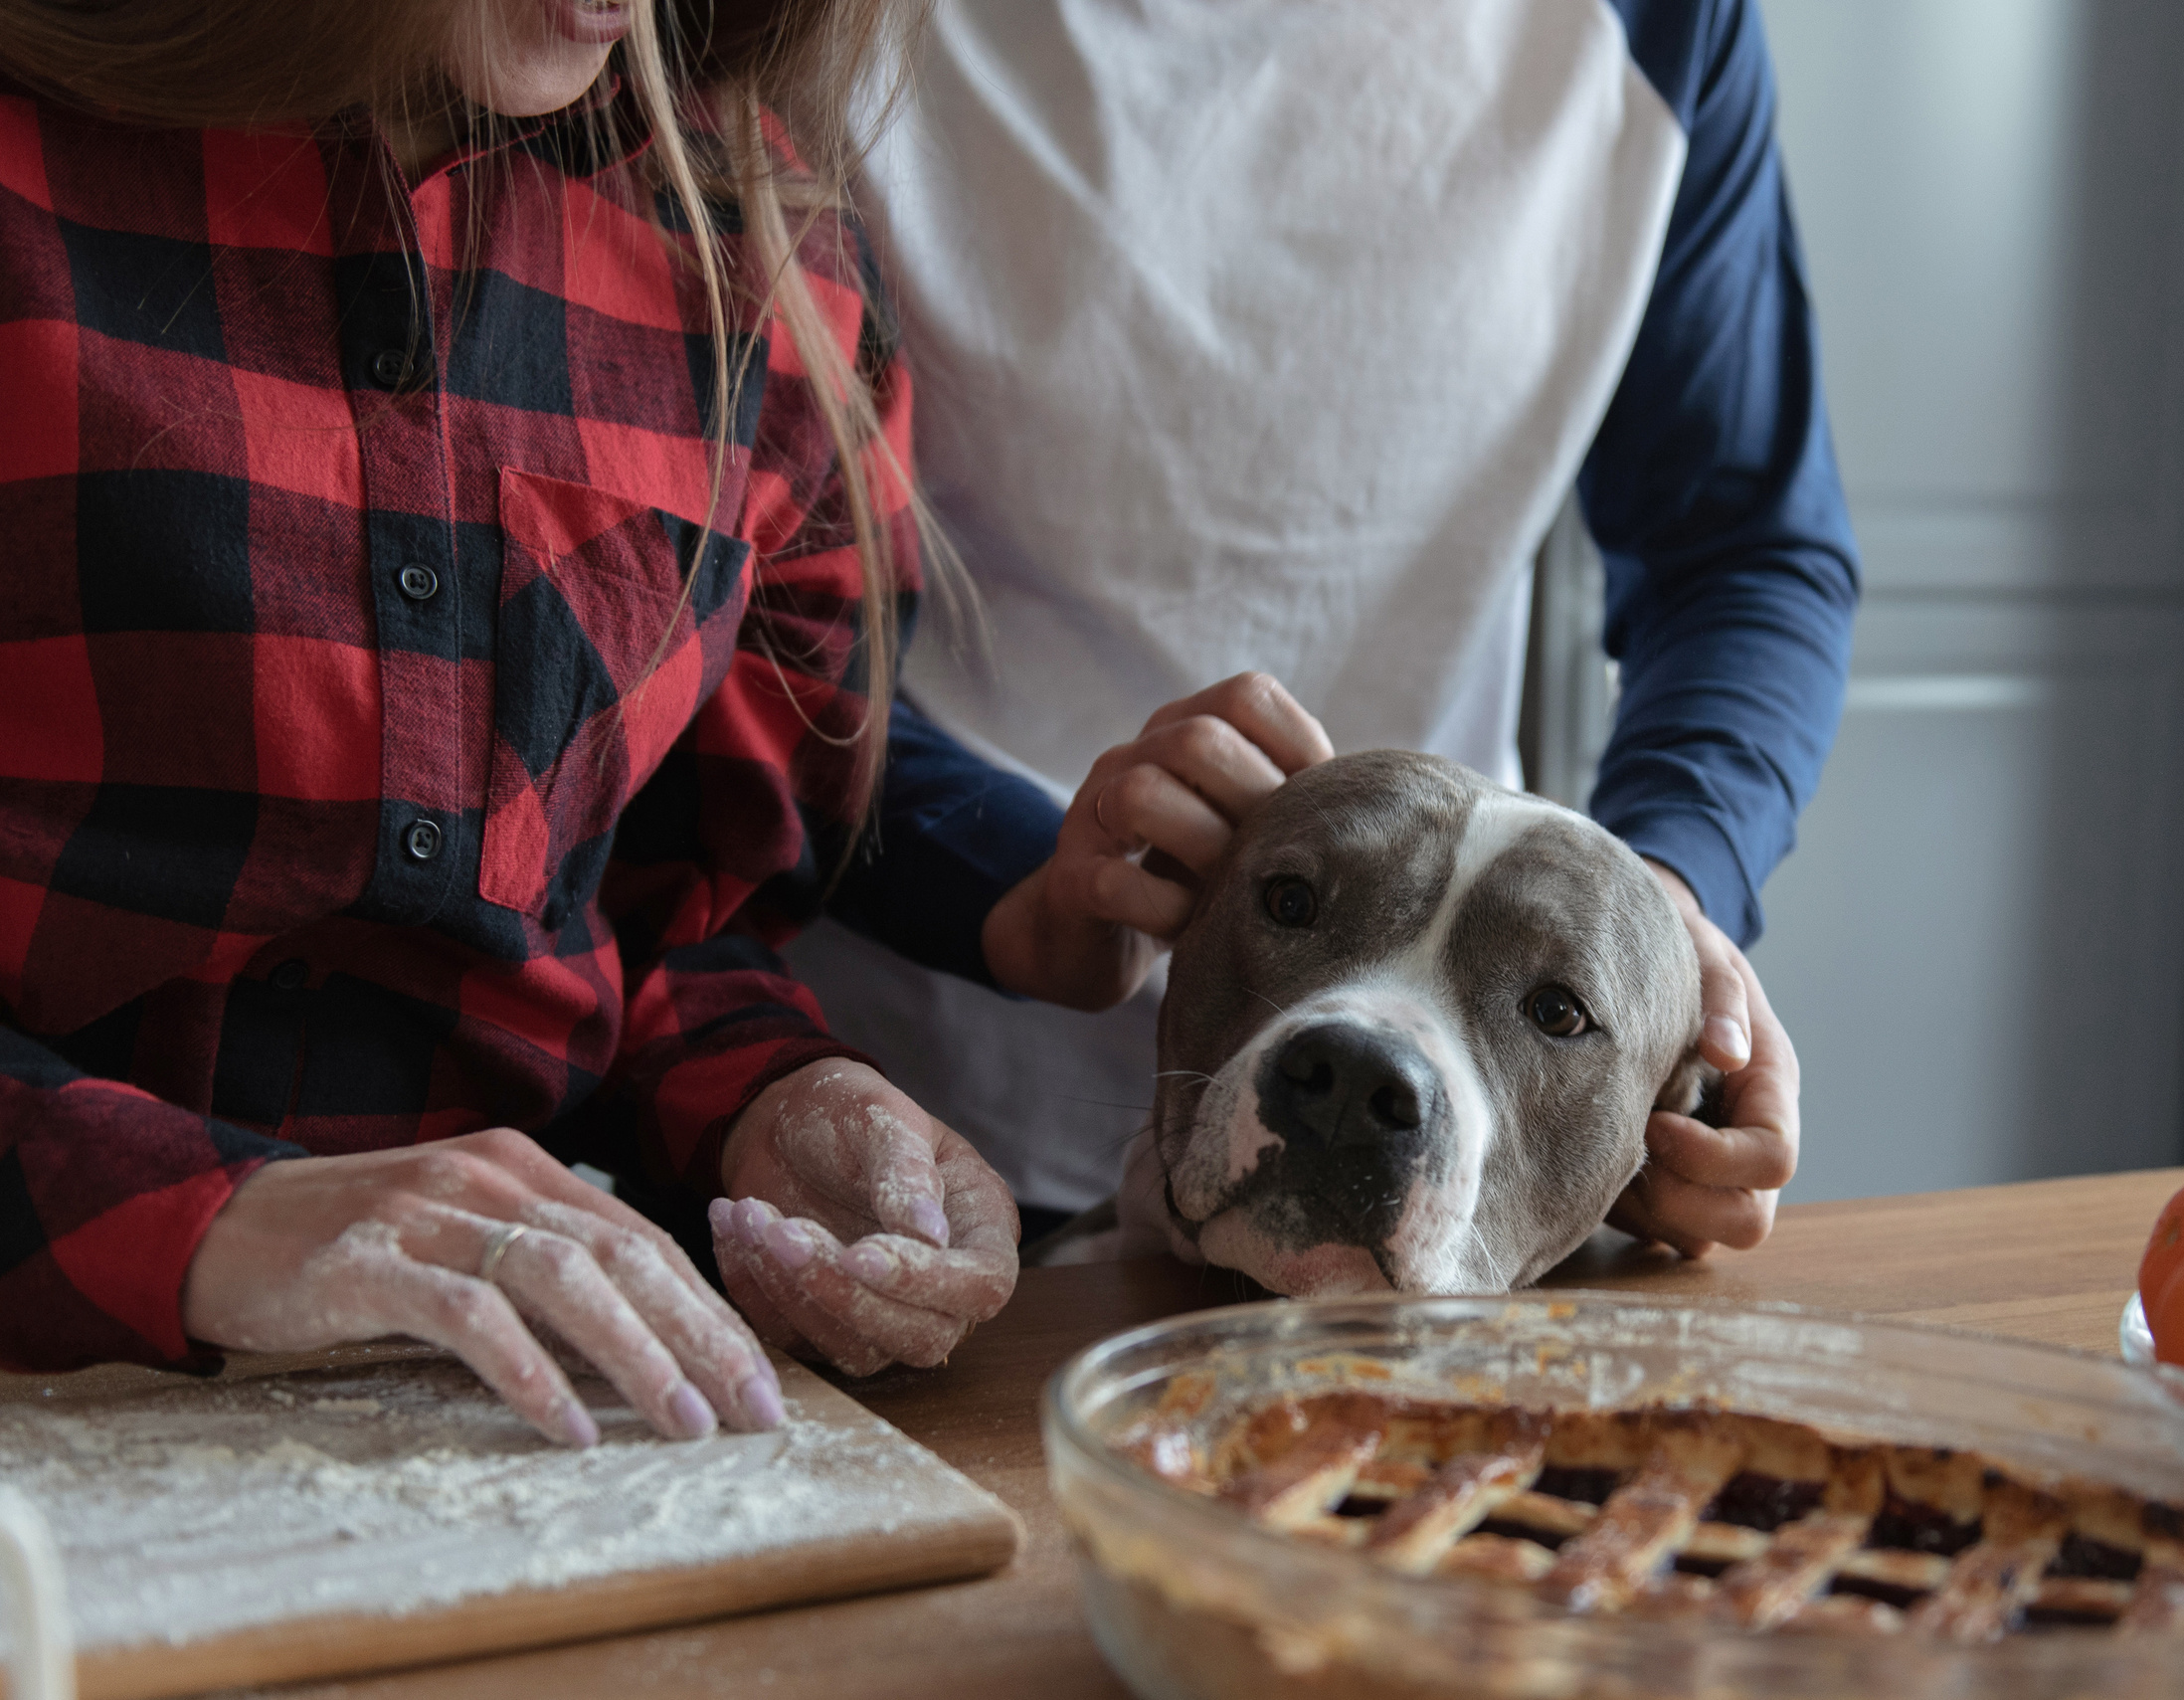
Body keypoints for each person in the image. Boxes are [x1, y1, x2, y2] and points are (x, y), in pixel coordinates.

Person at [0, 0, 1321, 1441]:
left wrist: (776, 1107)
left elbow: (661, 922)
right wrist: (206, 1223)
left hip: (506, 1425)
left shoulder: (768, 265)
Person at [790, 0, 1862, 1253]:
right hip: (874, 1094)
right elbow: (727, 606)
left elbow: (1742, 554)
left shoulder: (1656, 27)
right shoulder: (827, 29)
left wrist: (1650, 928)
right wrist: (1020, 877)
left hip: (1454, 1162)